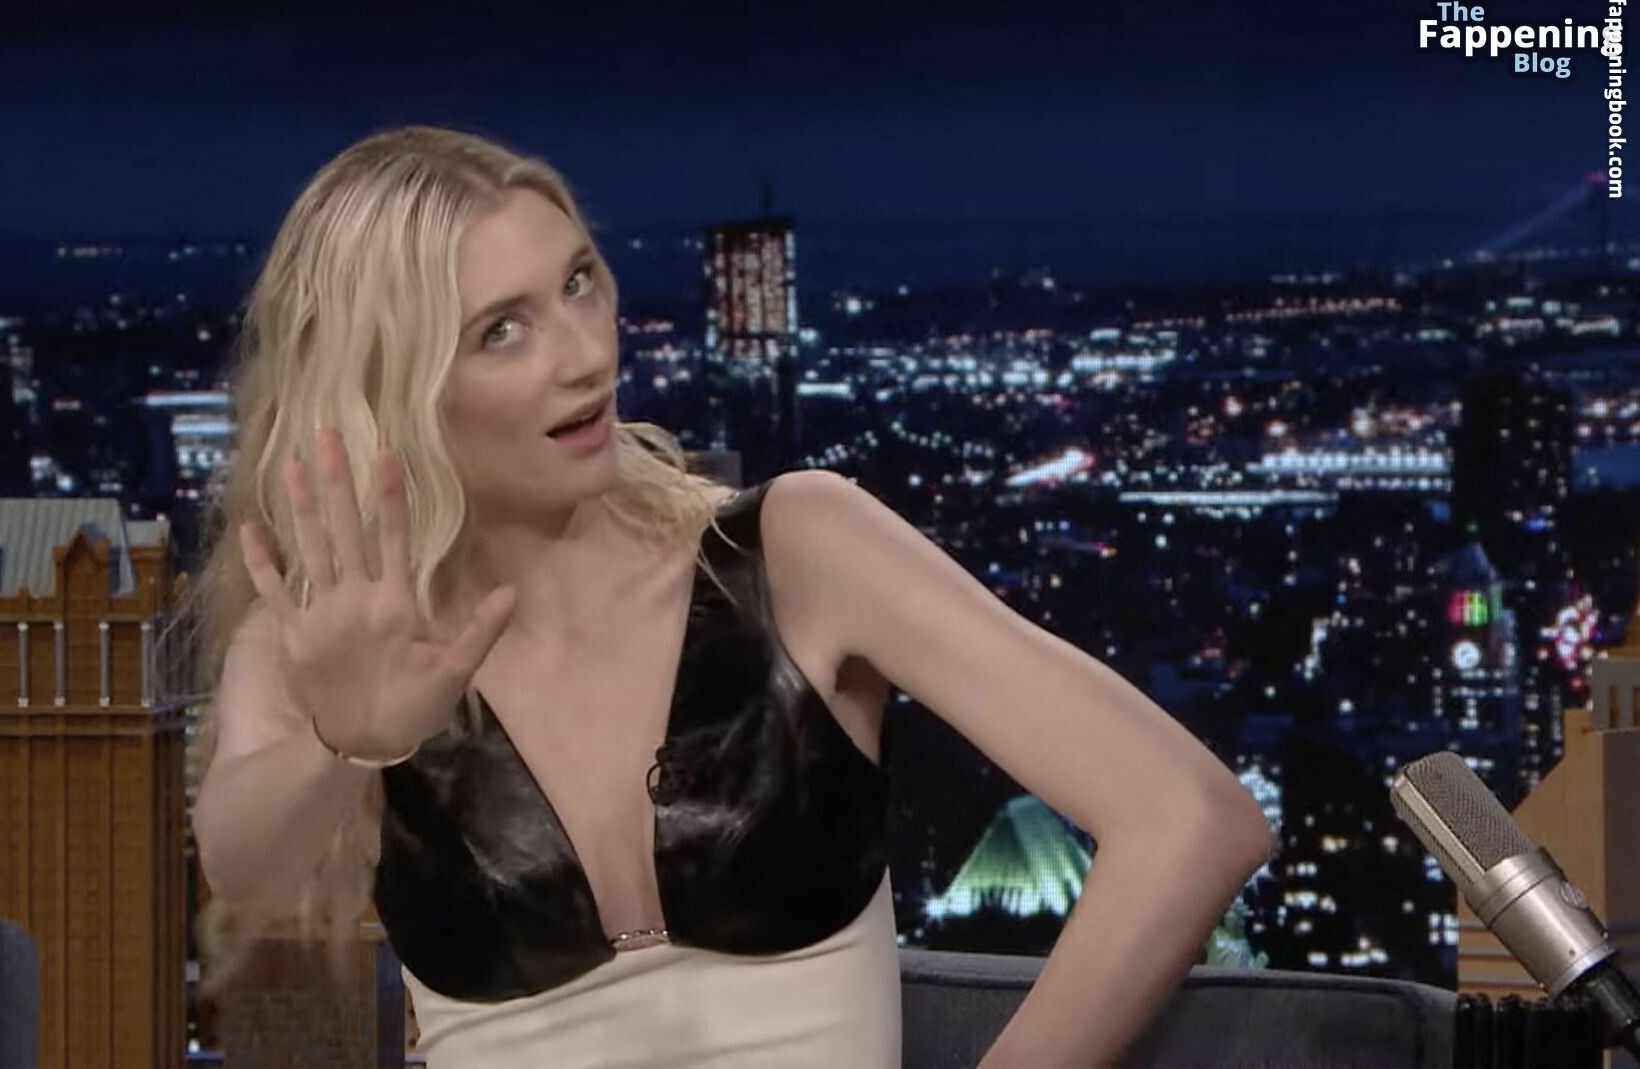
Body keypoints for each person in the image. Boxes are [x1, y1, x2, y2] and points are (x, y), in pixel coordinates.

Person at [175, 124, 1274, 1068]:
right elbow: (244, 864)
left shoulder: (800, 552)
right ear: (392, 386)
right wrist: (348, 743)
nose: (585, 355)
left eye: (578, 283)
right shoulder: (341, 632)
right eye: (501, 329)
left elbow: (1190, 818)